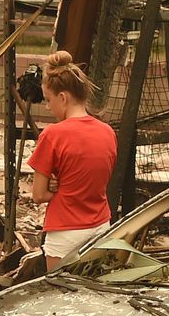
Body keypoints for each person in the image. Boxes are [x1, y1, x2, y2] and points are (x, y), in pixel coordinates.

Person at [26, 50, 118, 269]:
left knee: (62, 298)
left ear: (63, 97)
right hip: (100, 227)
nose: (48, 106)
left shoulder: (52, 135)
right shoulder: (107, 132)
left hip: (65, 232)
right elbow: (93, 177)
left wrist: (55, 189)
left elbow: (38, 195)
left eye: (48, 100)